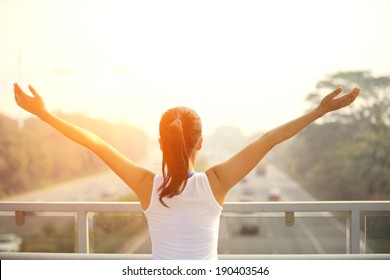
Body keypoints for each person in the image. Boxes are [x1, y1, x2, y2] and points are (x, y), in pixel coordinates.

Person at [13, 83, 360, 259]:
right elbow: (269, 139)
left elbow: (97, 144)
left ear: (161, 143)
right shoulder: (217, 182)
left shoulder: (146, 184)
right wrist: (320, 111)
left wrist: (43, 114)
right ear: (201, 143)